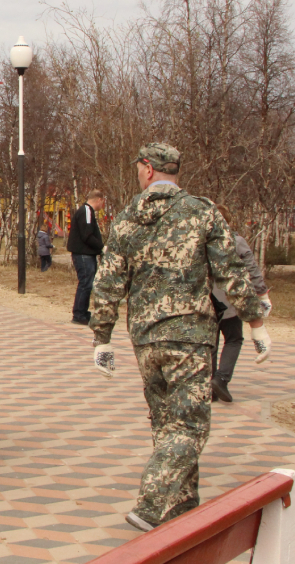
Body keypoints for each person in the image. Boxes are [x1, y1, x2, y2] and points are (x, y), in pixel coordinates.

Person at [89, 143, 269, 532]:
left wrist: (102, 338)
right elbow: (231, 272)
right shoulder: (202, 212)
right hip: (190, 337)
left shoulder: (126, 218)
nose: (138, 172)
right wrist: (256, 322)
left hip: (146, 338)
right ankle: (153, 505)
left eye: (139, 166)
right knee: (190, 426)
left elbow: (107, 283)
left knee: (167, 422)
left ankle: (183, 504)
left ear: (149, 169)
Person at [210, 204, 271, 403]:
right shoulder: (237, 241)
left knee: (210, 343)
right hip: (231, 301)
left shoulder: (200, 242)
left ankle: (209, 383)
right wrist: (262, 294)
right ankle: (221, 378)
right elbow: (252, 270)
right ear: (228, 222)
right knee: (234, 339)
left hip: (206, 302)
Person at [68, 189, 105, 325]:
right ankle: (79, 314)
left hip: (84, 253)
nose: (103, 205)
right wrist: (101, 247)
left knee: (86, 283)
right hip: (83, 253)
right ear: (99, 199)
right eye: (103, 201)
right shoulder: (87, 211)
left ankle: (82, 312)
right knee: (86, 283)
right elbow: (87, 234)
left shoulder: (85, 211)